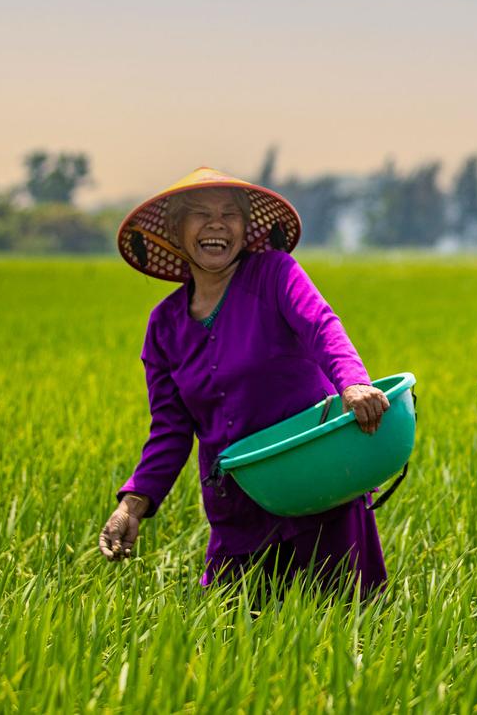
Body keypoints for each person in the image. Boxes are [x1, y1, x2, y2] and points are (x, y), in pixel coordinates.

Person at [99, 167, 391, 595]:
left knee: (346, 629)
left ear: (244, 227)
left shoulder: (274, 273)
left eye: (229, 215)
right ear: (177, 232)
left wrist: (352, 383)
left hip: (321, 485)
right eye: (199, 214)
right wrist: (133, 504)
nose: (216, 224)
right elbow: (170, 430)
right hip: (237, 506)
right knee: (231, 638)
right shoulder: (164, 325)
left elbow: (321, 325)